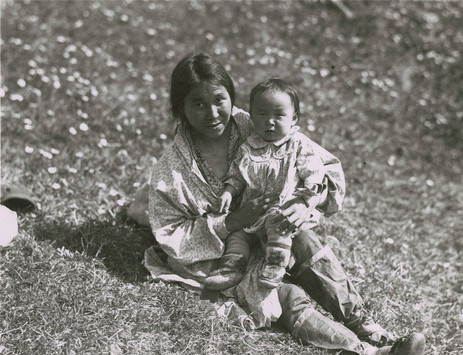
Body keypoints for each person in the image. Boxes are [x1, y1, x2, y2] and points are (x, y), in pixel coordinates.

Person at [147, 52, 426, 354]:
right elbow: (170, 235)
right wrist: (231, 221)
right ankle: (367, 351)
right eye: (198, 104)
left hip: (278, 233)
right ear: (180, 107)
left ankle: (367, 326)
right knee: (287, 296)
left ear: (232, 97)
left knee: (306, 240)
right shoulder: (172, 170)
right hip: (225, 257)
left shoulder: (256, 122)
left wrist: (306, 203)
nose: (212, 113)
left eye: (219, 100)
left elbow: (324, 168)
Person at [204, 78, 327, 291]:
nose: (270, 121)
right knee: (237, 235)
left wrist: (309, 194)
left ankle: (275, 265)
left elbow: (313, 170)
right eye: (262, 114)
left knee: (278, 226)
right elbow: (237, 175)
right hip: (251, 214)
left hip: (281, 211)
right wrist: (228, 192)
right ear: (252, 117)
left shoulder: (298, 144)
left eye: (279, 115)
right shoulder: (248, 147)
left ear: (293, 118)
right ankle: (231, 268)